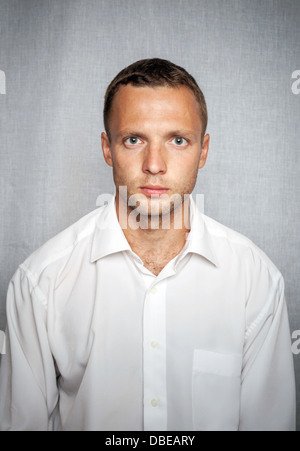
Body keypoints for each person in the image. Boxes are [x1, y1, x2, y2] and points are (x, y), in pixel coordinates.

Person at [0, 58, 296, 431]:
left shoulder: (256, 280)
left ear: (203, 151)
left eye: (177, 140)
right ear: (108, 149)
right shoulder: (40, 283)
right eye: (134, 139)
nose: (154, 164)